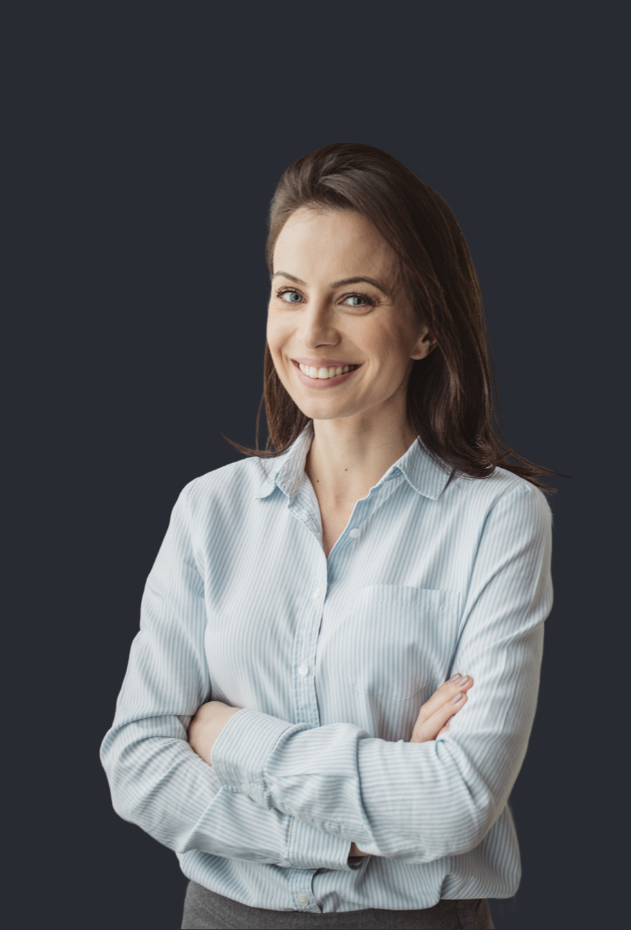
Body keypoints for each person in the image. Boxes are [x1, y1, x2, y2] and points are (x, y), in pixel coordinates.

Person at [100, 142, 559, 930]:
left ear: (425, 328)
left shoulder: (499, 519)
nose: (311, 333)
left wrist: (229, 736)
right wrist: (349, 831)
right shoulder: (210, 511)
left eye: (355, 299)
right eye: (290, 293)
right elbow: (139, 764)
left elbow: (458, 802)